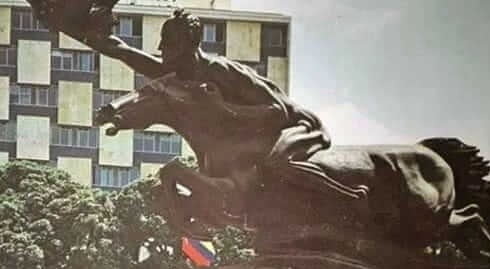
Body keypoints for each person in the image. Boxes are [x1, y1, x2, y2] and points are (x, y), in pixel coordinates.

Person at [86, 8, 368, 205]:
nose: (161, 48)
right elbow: (130, 56)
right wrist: (92, 36)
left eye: (168, 43)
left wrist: (222, 107)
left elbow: (276, 112)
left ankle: (344, 193)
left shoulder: (219, 70)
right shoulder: (179, 72)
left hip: (297, 127)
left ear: (187, 46)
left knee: (274, 164)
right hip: (255, 136)